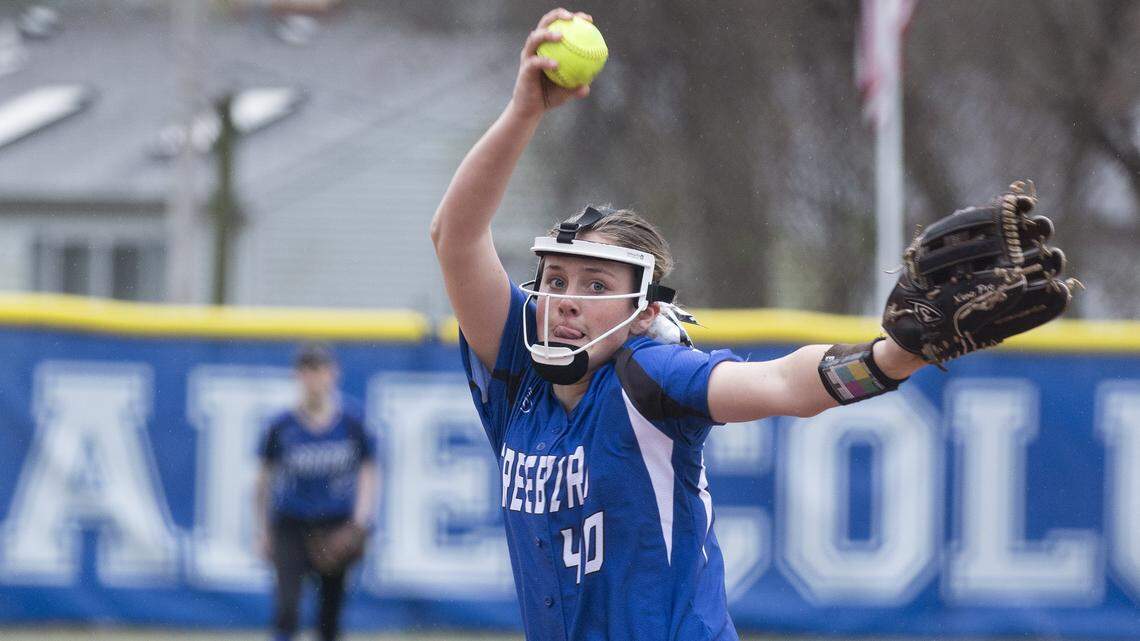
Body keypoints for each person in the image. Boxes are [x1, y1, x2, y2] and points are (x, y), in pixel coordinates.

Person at [432, 7, 1079, 640]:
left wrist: (889, 357)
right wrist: (525, 112)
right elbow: (455, 237)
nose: (566, 299)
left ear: (647, 311)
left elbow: (781, 384)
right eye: (556, 281)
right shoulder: (519, 377)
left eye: (596, 284)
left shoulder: (646, 375)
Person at [253, 343, 379, 641]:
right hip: (291, 523)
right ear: (298, 376)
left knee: (329, 616)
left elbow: (368, 470)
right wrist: (262, 530)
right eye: (307, 371)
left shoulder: (352, 423)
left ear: (333, 374)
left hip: (335, 522)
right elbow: (262, 481)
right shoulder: (281, 426)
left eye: (319, 370)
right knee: (287, 609)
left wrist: (360, 521)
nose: (314, 378)